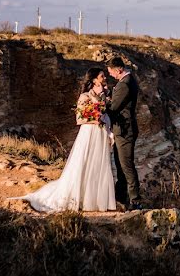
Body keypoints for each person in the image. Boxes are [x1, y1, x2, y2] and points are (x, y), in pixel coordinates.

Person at [16, 67, 116, 212]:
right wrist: (97, 117)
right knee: (84, 162)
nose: (105, 78)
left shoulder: (106, 94)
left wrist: (104, 100)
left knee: (98, 164)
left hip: (101, 133)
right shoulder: (85, 96)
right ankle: (78, 197)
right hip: (89, 133)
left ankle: (93, 200)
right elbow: (80, 118)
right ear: (94, 80)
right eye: (102, 76)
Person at [107, 56, 142, 210]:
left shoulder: (125, 84)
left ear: (119, 69)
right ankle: (120, 199)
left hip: (124, 130)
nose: (111, 76)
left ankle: (135, 200)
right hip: (123, 130)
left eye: (111, 73)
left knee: (126, 165)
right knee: (121, 166)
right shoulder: (127, 81)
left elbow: (114, 108)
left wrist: (99, 106)